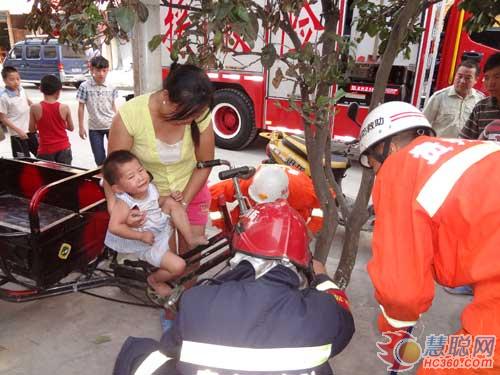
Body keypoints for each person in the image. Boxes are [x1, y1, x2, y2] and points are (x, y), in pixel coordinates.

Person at [113, 200, 355, 375]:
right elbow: (345, 324)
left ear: (240, 253)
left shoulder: (198, 301)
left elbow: (170, 347)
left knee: (140, 351)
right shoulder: (323, 314)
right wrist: (322, 279)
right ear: (303, 263)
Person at [358, 100, 500, 374]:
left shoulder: (398, 167)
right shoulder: (459, 152)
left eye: (372, 163)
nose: (376, 172)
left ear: (386, 148)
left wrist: (394, 330)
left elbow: (400, 291)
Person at [107, 63, 214, 249]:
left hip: (192, 191)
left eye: (193, 116)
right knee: (163, 257)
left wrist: (183, 203)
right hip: (147, 200)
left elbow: (205, 164)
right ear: (165, 96)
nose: (189, 121)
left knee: (191, 256)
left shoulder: (199, 113)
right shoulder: (131, 115)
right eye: (183, 115)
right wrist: (118, 211)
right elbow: (113, 170)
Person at [102, 150, 207, 297]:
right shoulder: (124, 203)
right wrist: (140, 236)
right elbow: (114, 227)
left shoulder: (150, 187)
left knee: (171, 203)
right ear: (118, 188)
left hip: (159, 228)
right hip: (148, 242)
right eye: (131, 177)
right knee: (179, 266)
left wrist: (169, 198)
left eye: (140, 170)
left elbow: (156, 202)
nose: (140, 178)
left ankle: (190, 238)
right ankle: (155, 280)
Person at [209, 163, 324, 233]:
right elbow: (212, 195)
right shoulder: (245, 183)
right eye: (259, 202)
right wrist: (223, 226)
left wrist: (310, 229)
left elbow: (327, 205)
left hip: (293, 212)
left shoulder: (304, 191)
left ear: (283, 195)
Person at [423, 60, 484, 137]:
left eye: (468, 78)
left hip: (467, 148)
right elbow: (423, 124)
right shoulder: (439, 97)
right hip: (441, 147)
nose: (462, 81)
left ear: (476, 80)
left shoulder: (480, 100)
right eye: (460, 76)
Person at [77, 55, 118, 166]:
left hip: (111, 126)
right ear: (91, 70)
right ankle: (102, 178)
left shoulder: (112, 86)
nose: (101, 74)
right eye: (98, 70)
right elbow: (81, 107)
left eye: (104, 70)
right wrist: (81, 127)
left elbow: (113, 106)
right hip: (94, 128)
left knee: (116, 157)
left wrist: (119, 122)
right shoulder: (84, 87)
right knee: (99, 159)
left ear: (108, 70)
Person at [28, 75, 74, 164]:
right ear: (58, 92)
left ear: (40, 89)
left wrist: (42, 125)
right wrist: (60, 124)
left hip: (45, 149)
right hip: (64, 148)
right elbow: (71, 128)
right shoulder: (65, 107)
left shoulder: (34, 107)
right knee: (65, 175)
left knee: (47, 177)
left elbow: (31, 129)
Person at [460, 52, 500, 139]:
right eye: (487, 77)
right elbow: (465, 141)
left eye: (497, 77)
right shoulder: (481, 108)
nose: (490, 83)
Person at [0, 66, 38, 157]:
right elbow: (3, 118)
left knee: (41, 155)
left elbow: (28, 102)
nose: (16, 82)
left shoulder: (21, 89)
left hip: (30, 130)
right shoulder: (3, 97)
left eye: (18, 78)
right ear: (5, 80)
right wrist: (19, 131)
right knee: (23, 162)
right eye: (12, 79)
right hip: (17, 135)